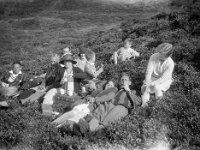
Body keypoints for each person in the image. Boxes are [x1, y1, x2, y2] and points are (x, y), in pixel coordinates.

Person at [52, 80, 117, 128]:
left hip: (90, 109)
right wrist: (89, 97)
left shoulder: (111, 93)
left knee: (76, 117)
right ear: (105, 85)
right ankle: (53, 124)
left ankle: (58, 128)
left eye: (111, 85)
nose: (109, 86)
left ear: (113, 87)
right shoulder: (99, 90)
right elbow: (88, 95)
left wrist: (95, 100)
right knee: (72, 113)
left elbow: (106, 98)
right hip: (85, 104)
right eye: (108, 84)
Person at [141, 43, 175, 107]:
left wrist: (153, 83)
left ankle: (158, 101)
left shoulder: (170, 63)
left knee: (157, 88)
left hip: (163, 80)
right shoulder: (153, 56)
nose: (159, 55)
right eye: (159, 53)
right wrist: (147, 81)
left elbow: (164, 78)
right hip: (152, 77)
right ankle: (144, 102)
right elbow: (149, 71)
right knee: (145, 88)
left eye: (162, 55)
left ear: (169, 56)